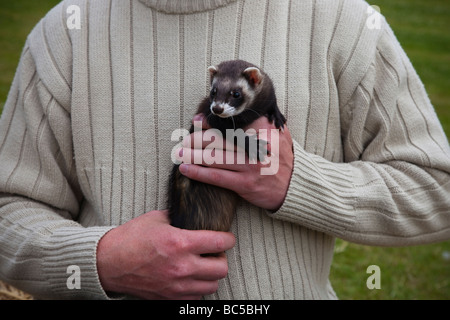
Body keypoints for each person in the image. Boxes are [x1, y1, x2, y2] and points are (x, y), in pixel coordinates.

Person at [0, 0, 449, 300]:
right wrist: (101, 259)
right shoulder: (66, 33)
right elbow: (8, 209)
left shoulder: (341, 20)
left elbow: (436, 190)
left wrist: (300, 182)